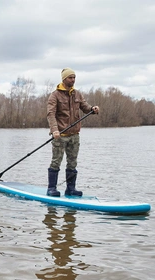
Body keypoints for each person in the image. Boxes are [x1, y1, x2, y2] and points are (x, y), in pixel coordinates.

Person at [46, 68, 99, 197]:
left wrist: (93, 108)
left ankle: (71, 189)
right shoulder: (55, 95)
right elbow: (50, 114)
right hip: (60, 136)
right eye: (70, 77)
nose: (73, 80)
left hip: (74, 136)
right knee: (56, 161)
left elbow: (85, 107)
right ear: (64, 79)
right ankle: (51, 188)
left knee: (72, 162)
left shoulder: (77, 94)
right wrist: (55, 130)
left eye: (74, 77)